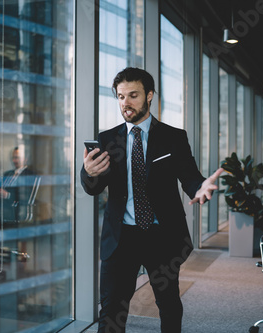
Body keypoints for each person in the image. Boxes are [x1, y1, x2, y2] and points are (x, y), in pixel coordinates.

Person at [81, 67, 223, 332]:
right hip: (121, 236)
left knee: (168, 303)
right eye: (121, 97)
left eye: (133, 95)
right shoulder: (107, 139)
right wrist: (88, 173)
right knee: (111, 308)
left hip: (161, 234)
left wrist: (200, 187)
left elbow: (189, 176)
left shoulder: (173, 137)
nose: (126, 103)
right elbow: (93, 188)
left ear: (149, 96)